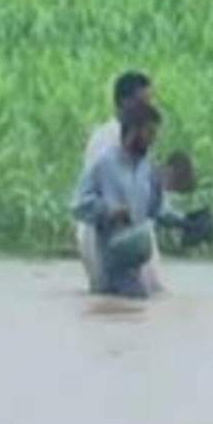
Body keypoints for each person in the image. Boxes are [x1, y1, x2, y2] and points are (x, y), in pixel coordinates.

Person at [72, 103, 186, 299]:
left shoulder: (147, 169)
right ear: (133, 131)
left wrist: (184, 222)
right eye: (150, 133)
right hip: (108, 265)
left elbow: (156, 210)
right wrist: (109, 210)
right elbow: (78, 206)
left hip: (137, 264)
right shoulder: (104, 164)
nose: (153, 140)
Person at [76, 72, 163, 293]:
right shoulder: (108, 142)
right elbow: (83, 202)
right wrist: (110, 211)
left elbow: (150, 202)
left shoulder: (140, 147)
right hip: (107, 238)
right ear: (125, 102)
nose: (150, 107)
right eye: (144, 101)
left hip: (135, 237)